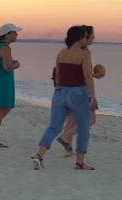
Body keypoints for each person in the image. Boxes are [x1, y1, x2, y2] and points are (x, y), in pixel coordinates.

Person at [31, 25, 99, 171]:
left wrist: (59, 88)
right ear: (80, 37)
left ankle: (39, 155)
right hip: (78, 93)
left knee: (54, 126)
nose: (88, 38)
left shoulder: (62, 52)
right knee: (83, 128)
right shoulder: (84, 54)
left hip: (60, 92)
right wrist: (92, 96)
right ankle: (79, 162)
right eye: (86, 36)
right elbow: (87, 76)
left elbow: (58, 74)